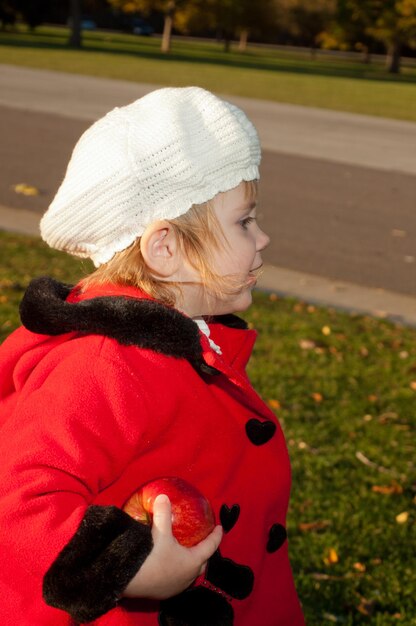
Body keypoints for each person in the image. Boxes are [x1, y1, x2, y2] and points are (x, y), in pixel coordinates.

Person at [0, 87, 305, 626]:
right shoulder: (106, 365)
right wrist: (134, 567)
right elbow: (18, 498)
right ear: (164, 248)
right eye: (244, 222)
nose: (264, 238)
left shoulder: (182, 342)